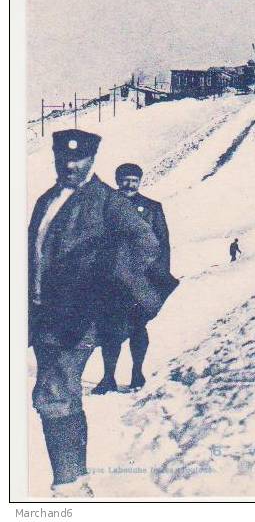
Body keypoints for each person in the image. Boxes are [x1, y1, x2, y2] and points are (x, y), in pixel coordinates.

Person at [29, 129, 162, 497]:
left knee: (53, 391)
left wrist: (102, 279)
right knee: (61, 392)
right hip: (44, 314)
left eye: (79, 159)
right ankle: (77, 481)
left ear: (92, 159)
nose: (70, 165)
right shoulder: (47, 199)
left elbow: (145, 245)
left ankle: (68, 487)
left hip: (79, 314)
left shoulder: (107, 201)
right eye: (63, 159)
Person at [92, 163, 178, 395]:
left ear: (140, 181)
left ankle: (137, 373)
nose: (129, 184)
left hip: (141, 281)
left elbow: (163, 245)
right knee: (109, 327)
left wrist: (157, 278)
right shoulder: (106, 208)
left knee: (138, 327)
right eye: (125, 179)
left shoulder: (152, 208)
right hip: (111, 279)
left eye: (134, 180)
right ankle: (108, 377)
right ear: (117, 180)